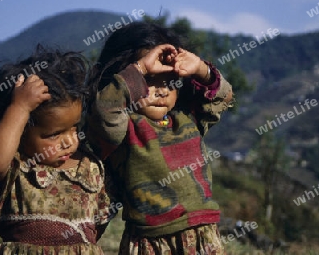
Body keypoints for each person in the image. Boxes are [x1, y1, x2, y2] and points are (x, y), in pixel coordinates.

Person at [88, 22, 234, 254]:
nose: (161, 91)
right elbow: (105, 109)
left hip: (203, 235)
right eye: (148, 80)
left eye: (169, 82)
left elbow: (222, 97)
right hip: (151, 241)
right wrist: (139, 69)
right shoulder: (124, 127)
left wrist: (200, 69)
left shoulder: (188, 119)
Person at [0, 46, 112, 254]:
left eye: (74, 128)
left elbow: (97, 226)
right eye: (53, 135)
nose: (69, 141)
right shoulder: (16, 169)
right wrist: (20, 107)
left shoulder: (90, 167)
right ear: (20, 132)